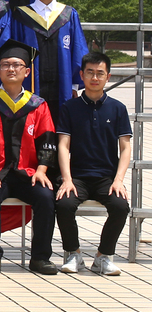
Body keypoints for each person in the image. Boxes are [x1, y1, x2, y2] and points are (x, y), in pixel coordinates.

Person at [0, 39, 58, 275]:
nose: (11, 69)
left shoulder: (38, 105)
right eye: (5, 65)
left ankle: (40, 257)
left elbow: (47, 142)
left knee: (46, 197)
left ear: (27, 72)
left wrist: (41, 170)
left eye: (17, 65)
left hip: (28, 172)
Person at [55, 51, 131, 276]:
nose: (95, 78)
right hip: (77, 176)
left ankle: (103, 256)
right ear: (82, 75)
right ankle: (74, 254)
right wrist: (67, 179)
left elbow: (125, 148)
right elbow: (63, 146)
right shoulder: (70, 107)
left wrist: (118, 180)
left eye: (100, 73)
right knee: (64, 204)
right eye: (90, 73)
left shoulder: (118, 108)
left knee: (120, 206)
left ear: (108, 77)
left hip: (106, 177)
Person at [10, 0, 89, 127]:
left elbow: (78, 49)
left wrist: (74, 85)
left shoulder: (68, 15)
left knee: (62, 126)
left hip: (62, 85)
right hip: (30, 84)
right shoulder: (21, 16)